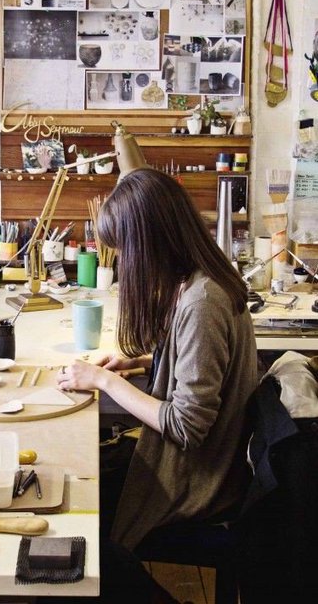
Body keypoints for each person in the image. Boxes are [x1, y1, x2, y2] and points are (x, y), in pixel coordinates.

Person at [56, 167, 259, 602]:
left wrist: (104, 380)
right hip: (200, 464)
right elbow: (204, 365)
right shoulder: (203, 280)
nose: (121, 261)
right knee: (75, 482)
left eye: (123, 250)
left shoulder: (202, 303)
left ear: (149, 242)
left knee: (74, 530)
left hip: (202, 480)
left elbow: (186, 426)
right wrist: (144, 361)